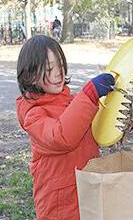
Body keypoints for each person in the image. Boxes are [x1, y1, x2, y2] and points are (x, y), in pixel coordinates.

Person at [16, 35, 115, 219]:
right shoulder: (34, 114)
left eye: (60, 65)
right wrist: (90, 94)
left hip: (84, 190)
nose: (58, 73)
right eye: (48, 69)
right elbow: (61, 137)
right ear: (29, 75)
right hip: (60, 204)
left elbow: (92, 128)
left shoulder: (71, 101)